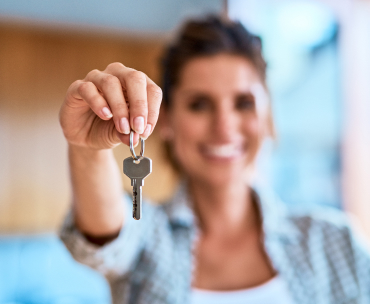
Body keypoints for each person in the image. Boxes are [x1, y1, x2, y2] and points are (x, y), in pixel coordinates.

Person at [59, 16, 370, 304]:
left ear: (268, 116)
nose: (224, 127)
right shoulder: (147, 240)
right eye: (199, 104)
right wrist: (88, 149)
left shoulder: (334, 243)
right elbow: (107, 238)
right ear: (164, 119)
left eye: (243, 103)